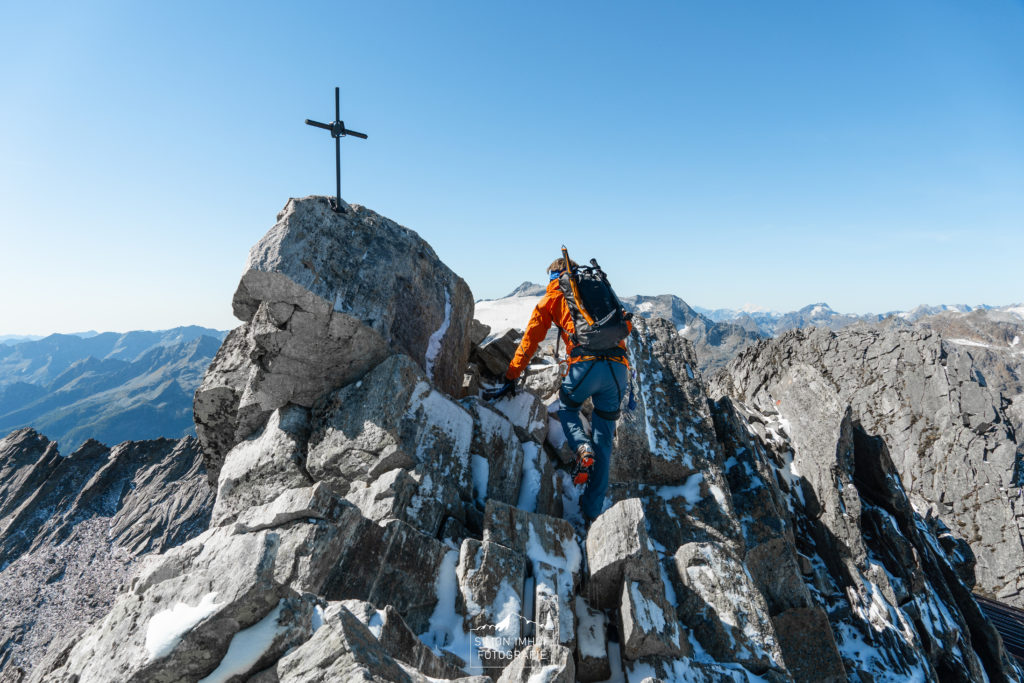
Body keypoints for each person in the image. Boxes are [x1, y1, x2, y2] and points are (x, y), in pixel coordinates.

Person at [497, 256, 631, 526]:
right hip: (618, 370)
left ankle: (581, 446)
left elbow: (530, 340)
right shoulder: (597, 289)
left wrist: (511, 375)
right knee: (605, 441)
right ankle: (592, 511)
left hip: (585, 367)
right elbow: (624, 327)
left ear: (552, 277)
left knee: (569, 408)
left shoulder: (552, 297)